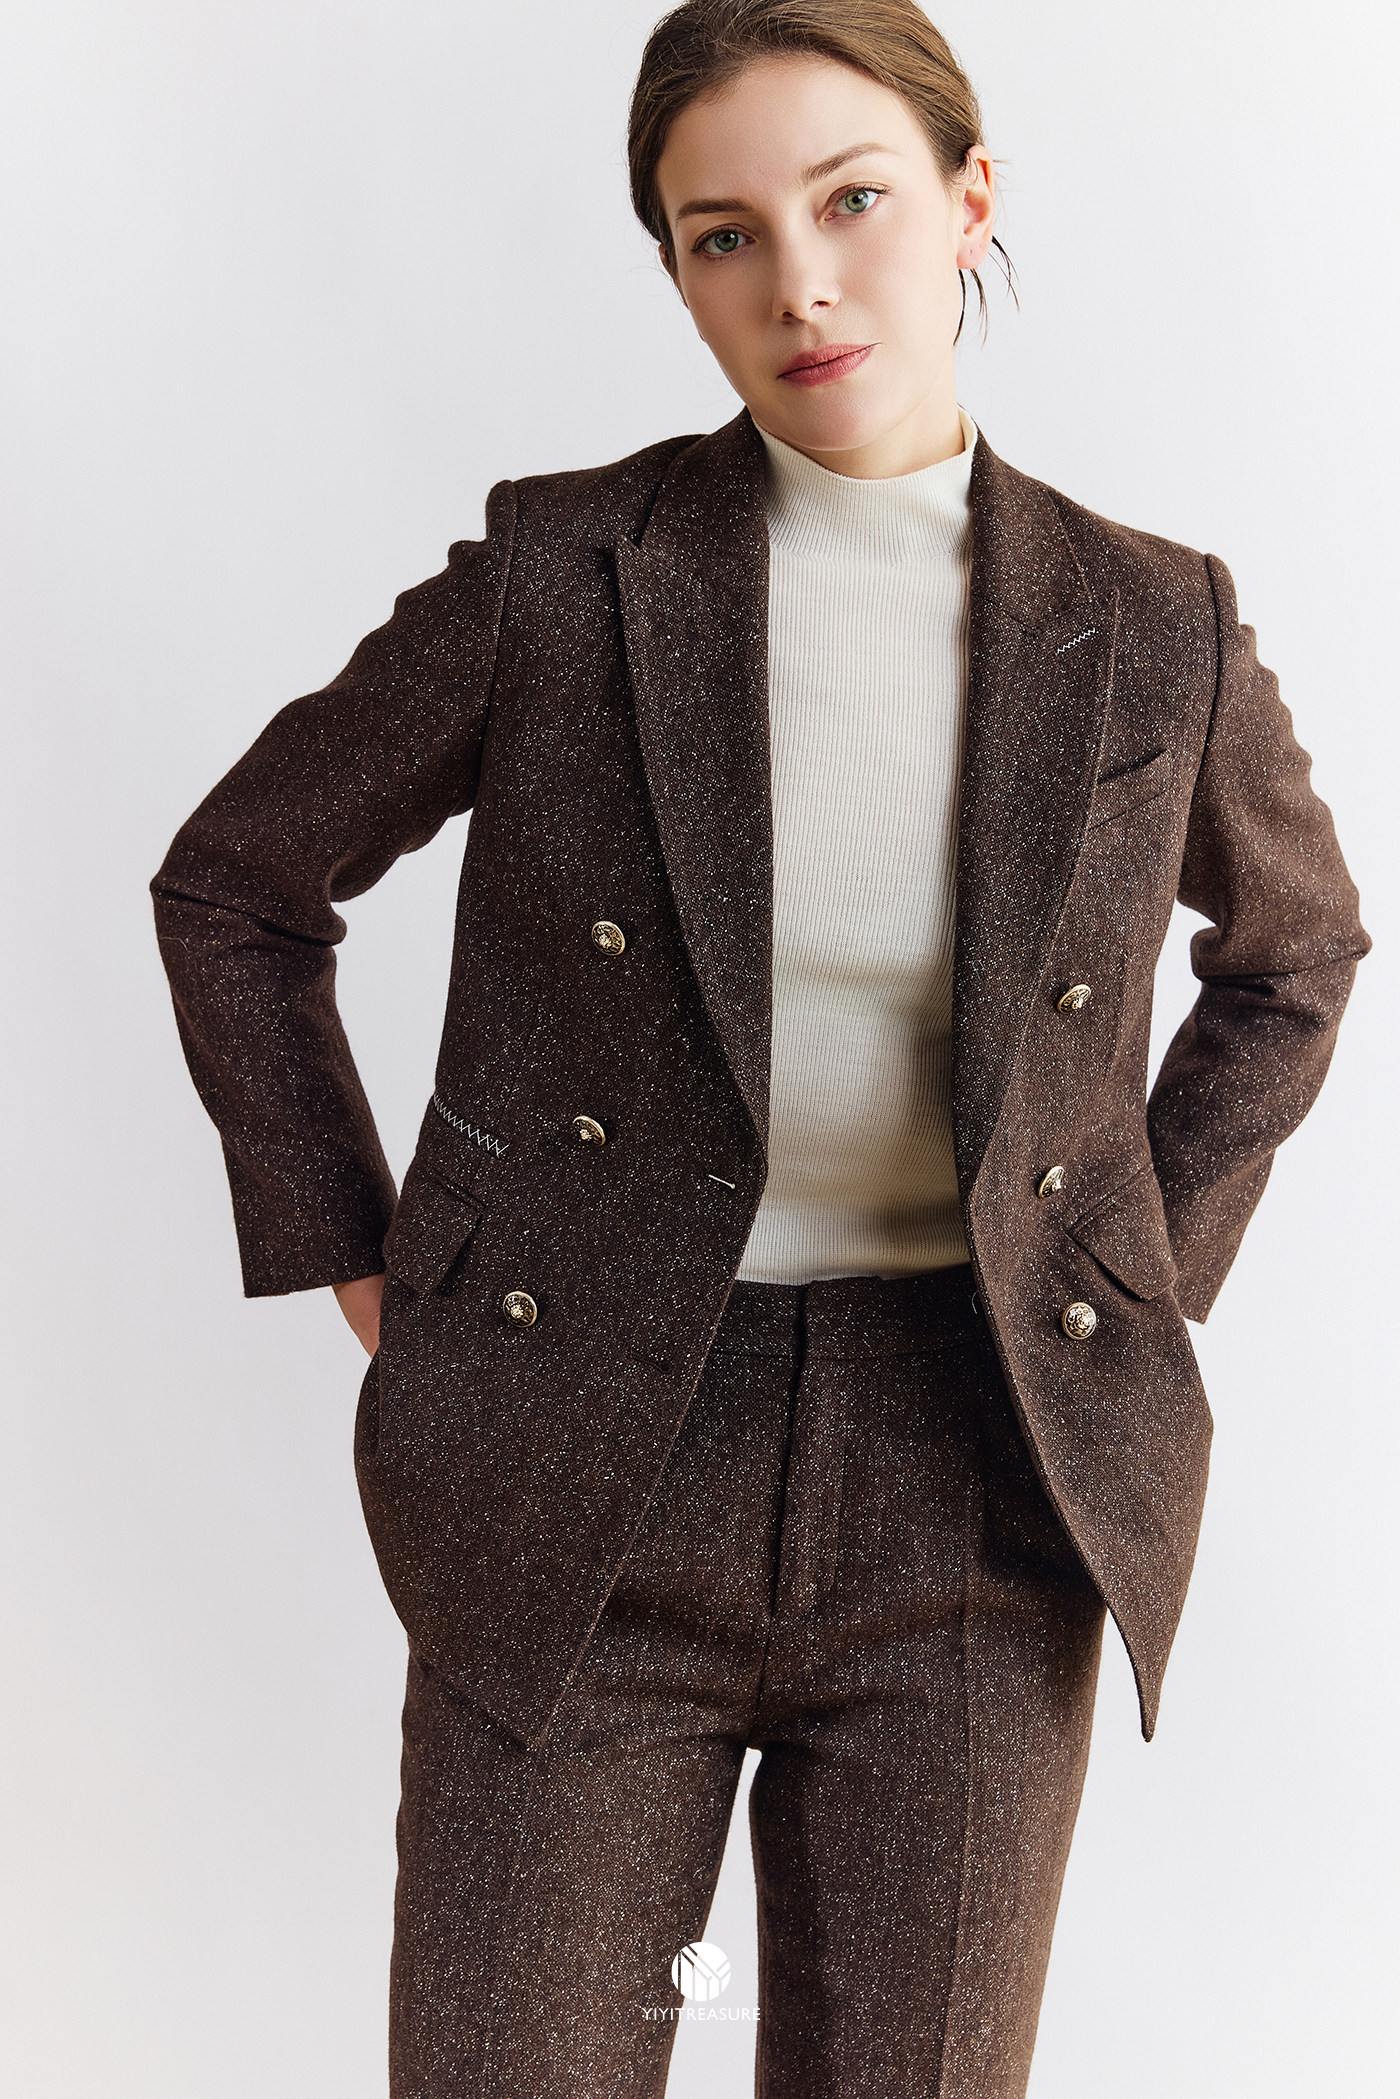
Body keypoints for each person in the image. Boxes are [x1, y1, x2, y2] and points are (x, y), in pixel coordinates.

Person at [149, 1, 1370, 2092]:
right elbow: (237, 887)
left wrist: (1120, 1273)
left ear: (969, 201)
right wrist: (358, 1247)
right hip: (580, 1455)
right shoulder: (566, 576)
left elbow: (1297, 954)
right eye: (723, 234)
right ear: (677, 273)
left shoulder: (1152, 620)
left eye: (853, 200)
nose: (799, 280)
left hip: (976, 1477)